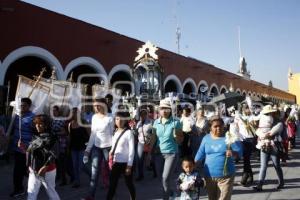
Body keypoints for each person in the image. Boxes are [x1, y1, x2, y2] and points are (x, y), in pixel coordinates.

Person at [195, 115, 242, 200]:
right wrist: (192, 165)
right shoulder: (206, 139)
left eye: (220, 126)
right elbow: (200, 154)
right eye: (215, 126)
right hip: (209, 176)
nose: (218, 128)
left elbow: (239, 153)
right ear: (210, 128)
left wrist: (233, 153)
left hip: (226, 176)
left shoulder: (229, 137)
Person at [83, 98, 114, 200]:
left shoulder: (110, 117)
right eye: (95, 106)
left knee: (110, 172)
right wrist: (87, 150)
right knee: (94, 172)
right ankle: (91, 195)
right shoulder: (94, 117)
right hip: (96, 148)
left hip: (108, 148)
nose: (96, 107)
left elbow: (113, 135)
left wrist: (113, 151)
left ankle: (111, 193)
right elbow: (93, 134)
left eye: (98, 105)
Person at [153, 99, 183, 200]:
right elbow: (154, 138)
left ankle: (165, 198)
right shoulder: (156, 122)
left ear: (170, 110)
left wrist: (176, 136)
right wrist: (149, 154)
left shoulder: (176, 122)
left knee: (165, 178)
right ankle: (171, 192)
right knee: (160, 178)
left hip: (171, 153)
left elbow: (180, 141)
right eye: (162, 108)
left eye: (166, 108)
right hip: (158, 153)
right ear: (159, 110)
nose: (164, 111)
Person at [27, 114, 60, 200]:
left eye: (40, 123)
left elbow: (54, 154)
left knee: (51, 193)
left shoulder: (52, 138)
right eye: (36, 123)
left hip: (48, 171)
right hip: (34, 170)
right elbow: (33, 152)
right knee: (31, 194)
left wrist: (45, 167)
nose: (37, 125)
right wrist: (23, 147)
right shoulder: (35, 136)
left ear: (46, 125)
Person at [253, 107, 284, 191]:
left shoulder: (278, 123)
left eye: (269, 113)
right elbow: (258, 132)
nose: (268, 115)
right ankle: (259, 185)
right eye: (266, 114)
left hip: (274, 146)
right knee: (263, 166)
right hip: (264, 145)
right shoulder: (263, 123)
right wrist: (259, 131)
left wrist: (263, 134)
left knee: (276, 165)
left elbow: (270, 133)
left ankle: (281, 182)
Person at [106, 111, 135, 200]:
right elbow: (114, 145)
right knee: (112, 184)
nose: (119, 121)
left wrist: (129, 166)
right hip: (116, 162)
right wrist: (111, 152)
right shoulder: (115, 131)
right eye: (117, 119)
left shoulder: (129, 133)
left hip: (126, 163)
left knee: (129, 184)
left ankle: (133, 198)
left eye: (121, 119)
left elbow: (132, 151)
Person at [10, 97, 35, 198]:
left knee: (18, 170)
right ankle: (25, 185)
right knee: (21, 169)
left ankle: (19, 189)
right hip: (16, 148)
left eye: (24, 105)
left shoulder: (33, 118)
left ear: (29, 106)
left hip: (25, 150)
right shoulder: (16, 115)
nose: (22, 107)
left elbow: (35, 133)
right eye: (21, 105)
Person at [68, 107, 89, 188]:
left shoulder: (84, 122)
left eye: (75, 112)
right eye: (73, 113)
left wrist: (88, 147)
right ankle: (77, 181)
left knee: (81, 165)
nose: (74, 114)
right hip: (73, 147)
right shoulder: (70, 124)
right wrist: (68, 148)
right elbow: (70, 137)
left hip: (82, 147)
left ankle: (92, 175)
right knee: (75, 165)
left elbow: (89, 135)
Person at [135, 109, 154, 181]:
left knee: (151, 159)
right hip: (140, 143)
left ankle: (154, 171)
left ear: (147, 114)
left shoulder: (151, 122)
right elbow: (136, 133)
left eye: (144, 114)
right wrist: (134, 129)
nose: (143, 115)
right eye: (141, 114)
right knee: (139, 160)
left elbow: (153, 134)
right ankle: (140, 175)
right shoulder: (138, 123)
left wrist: (151, 142)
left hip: (148, 143)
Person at [51, 105, 68, 186]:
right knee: (57, 162)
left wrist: (55, 133)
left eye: (55, 110)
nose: (53, 112)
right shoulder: (53, 120)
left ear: (58, 111)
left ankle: (64, 179)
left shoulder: (61, 119)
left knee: (62, 162)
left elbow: (64, 132)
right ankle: (59, 177)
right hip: (55, 144)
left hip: (61, 143)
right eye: (53, 110)